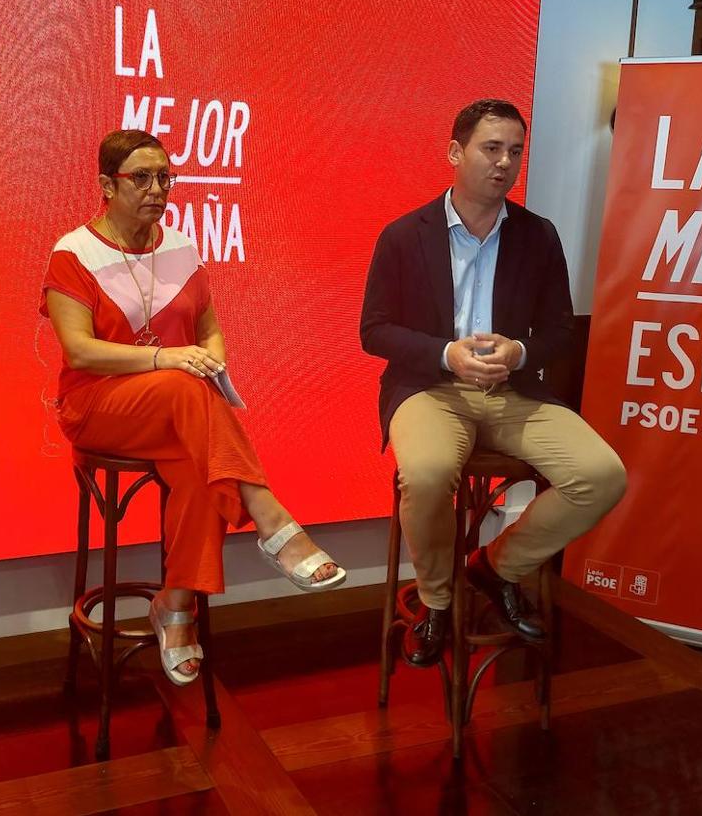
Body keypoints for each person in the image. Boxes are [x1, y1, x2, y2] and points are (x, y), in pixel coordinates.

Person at [41, 129, 347, 686]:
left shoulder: (182, 246)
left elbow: (209, 330)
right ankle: (270, 515)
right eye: (141, 178)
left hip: (176, 415)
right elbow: (80, 349)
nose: (157, 189)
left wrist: (208, 359)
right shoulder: (74, 252)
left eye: (164, 177)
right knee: (186, 390)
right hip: (96, 405)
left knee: (201, 468)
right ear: (107, 185)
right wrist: (171, 361)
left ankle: (174, 606)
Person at [359, 99, 626, 666]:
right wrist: (446, 354)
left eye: (515, 152)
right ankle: (437, 599)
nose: (504, 163)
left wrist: (520, 350)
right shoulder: (405, 235)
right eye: (491, 148)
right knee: (427, 474)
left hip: (513, 392)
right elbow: (375, 332)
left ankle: (494, 566)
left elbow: (561, 330)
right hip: (429, 390)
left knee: (602, 476)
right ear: (455, 153)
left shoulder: (537, 235)